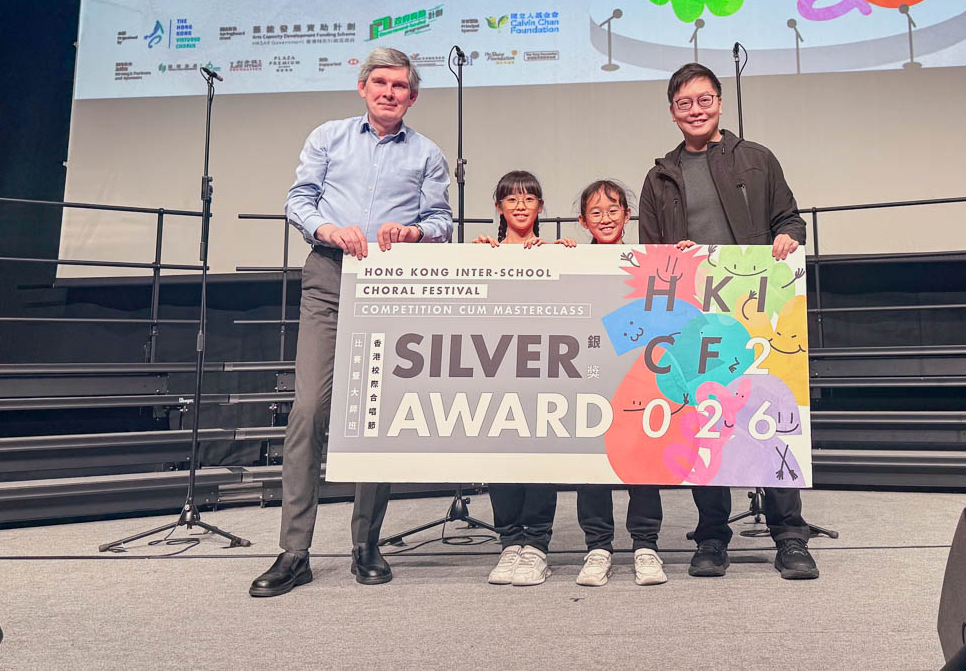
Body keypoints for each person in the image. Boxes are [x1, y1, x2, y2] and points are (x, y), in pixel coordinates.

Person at [250, 48, 452, 597]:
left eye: (400, 86)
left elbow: (441, 221)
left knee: (376, 415)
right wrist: (326, 229)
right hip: (330, 276)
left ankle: (366, 543)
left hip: (393, 284)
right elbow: (299, 200)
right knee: (309, 410)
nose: (389, 92)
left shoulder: (428, 153)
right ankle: (295, 551)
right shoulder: (328, 137)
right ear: (363, 87)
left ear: (412, 96)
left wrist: (415, 233)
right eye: (380, 83)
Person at [637, 62, 819, 581]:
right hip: (698, 318)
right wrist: (674, 258)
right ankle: (712, 536)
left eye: (704, 100)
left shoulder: (757, 159)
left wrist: (787, 237)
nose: (695, 110)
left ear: (719, 102)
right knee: (705, 421)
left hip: (758, 310)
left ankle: (790, 536)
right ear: (672, 112)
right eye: (684, 103)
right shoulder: (659, 177)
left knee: (771, 415)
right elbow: (652, 253)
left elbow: (789, 217)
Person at [570, 180, 667, 587]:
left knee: (642, 462)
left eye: (613, 210)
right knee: (591, 465)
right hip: (589, 377)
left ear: (628, 215)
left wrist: (682, 257)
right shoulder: (572, 262)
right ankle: (598, 547)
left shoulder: (649, 261)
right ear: (583, 221)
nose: (605, 218)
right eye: (596, 212)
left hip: (638, 379)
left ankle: (646, 546)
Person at [474, 170, 563, 586]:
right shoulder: (484, 253)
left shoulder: (556, 252)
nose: (521, 206)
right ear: (499, 207)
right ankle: (510, 541)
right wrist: (472, 259)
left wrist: (567, 255)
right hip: (496, 369)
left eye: (529, 199)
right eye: (511, 199)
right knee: (502, 452)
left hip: (545, 370)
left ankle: (537, 545)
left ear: (541, 207)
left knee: (541, 452)